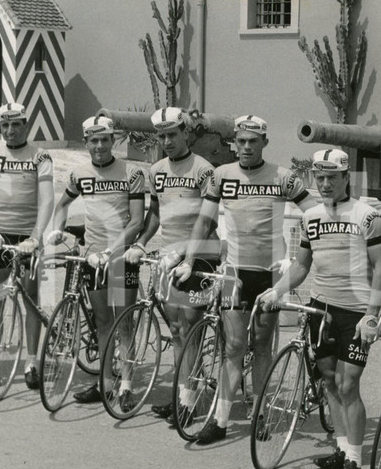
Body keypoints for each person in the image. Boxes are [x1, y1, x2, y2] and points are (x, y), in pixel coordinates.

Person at [172, 115, 314, 444]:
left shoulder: (282, 176)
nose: (246, 147)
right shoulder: (222, 176)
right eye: (241, 141)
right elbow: (204, 220)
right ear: (234, 143)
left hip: (270, 272)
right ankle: (220, 420)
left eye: (253, 142)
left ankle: (261, 412)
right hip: (234, 271)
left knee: (263, 347)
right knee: (232, 346)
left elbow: (314, 209)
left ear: (264, 143)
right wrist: (190, 261)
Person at [258, 149, 381, 469]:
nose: (326, 184)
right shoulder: (310, 217)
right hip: (322, 310)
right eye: (320, 178)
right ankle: (343, 449)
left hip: (356, 313)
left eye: (333, 177)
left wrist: (372, 315)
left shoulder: (367, 215)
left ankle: (355, 460)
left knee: (348, 384)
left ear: (347, 177)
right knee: (329, 381)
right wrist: (277, 291)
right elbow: (302, 265)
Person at [122, 108, 218, 423]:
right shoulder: (157, 169)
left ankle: (189, 404)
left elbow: (206, 222)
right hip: (167, 257)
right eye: (161, 136)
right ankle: (184, 395)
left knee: (189, 328)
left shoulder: (204, 170)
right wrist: (140, 242)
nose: (167, 141)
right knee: (175, 329)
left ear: (185, 133)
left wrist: (185, 254)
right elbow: (155, 216)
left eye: (172, 135)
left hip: (199, 257)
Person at [46, 115, 145, 407]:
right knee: (103, 322)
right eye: (93, 140)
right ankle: (105, 382)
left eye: (104, 140)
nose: (99, 145)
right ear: (86, 142)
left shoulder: (132, 172)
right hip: (93, 258)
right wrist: (57, 228)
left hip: (120, 257)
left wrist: (111, 251)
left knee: (123, 323)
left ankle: (126, 385)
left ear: (112, 141)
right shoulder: (79, 174)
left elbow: (136, 221)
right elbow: (62, 203)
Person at [0, 102, 54, 391]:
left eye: (15, 124)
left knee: (30, 300)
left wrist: (36, 236)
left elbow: (47, 200)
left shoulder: (40, 155)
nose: (9, 130)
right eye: (4, 125)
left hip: (27, 238)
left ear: (25, 125)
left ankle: (31, 362)